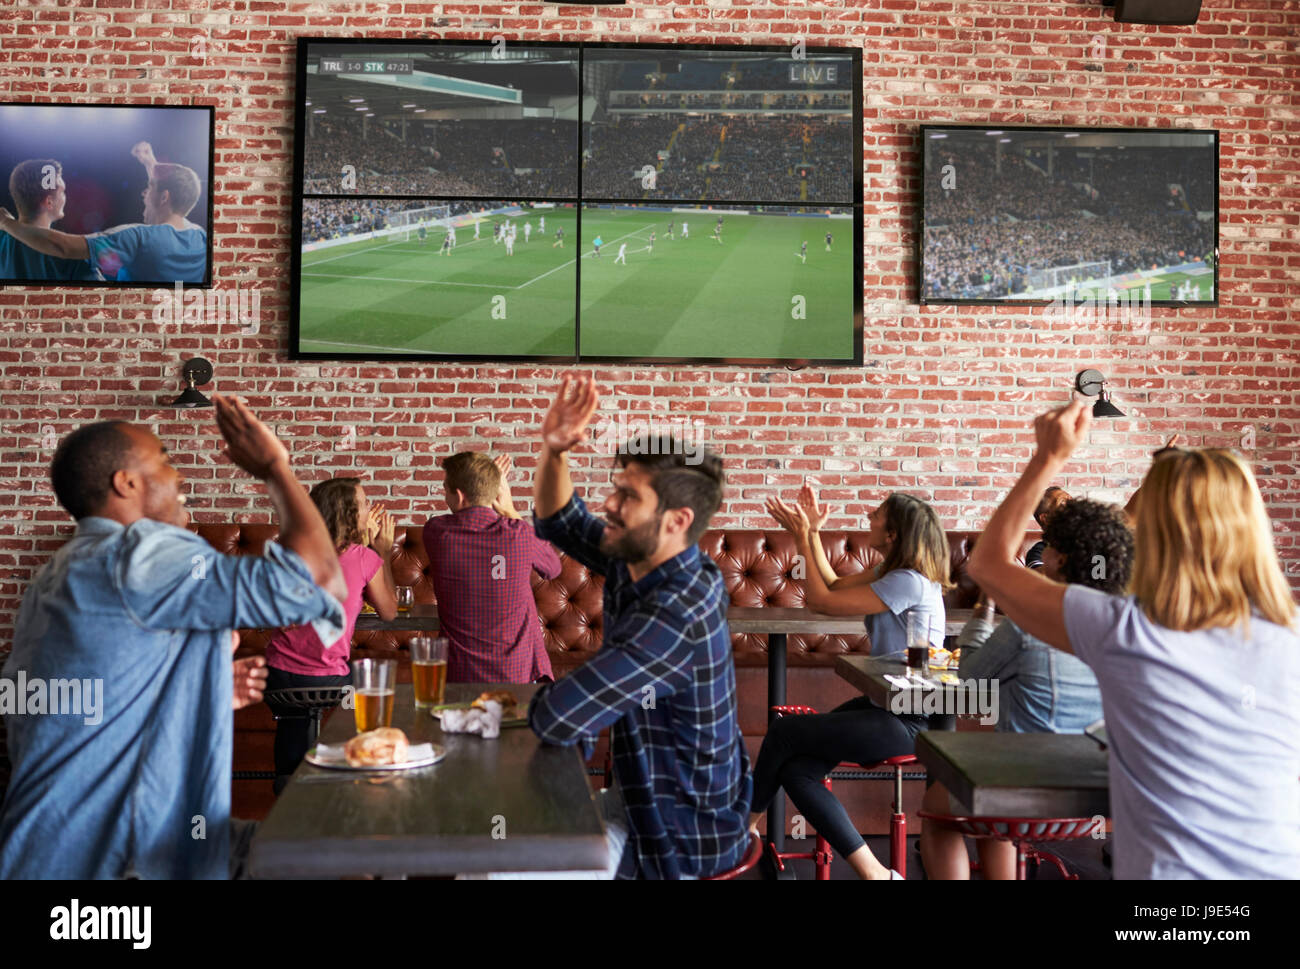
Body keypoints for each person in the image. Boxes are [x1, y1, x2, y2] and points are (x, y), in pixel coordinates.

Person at [0, 398, 348, 879]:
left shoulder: (55, 577)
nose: (179, 476)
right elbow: (316, 581)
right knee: (348, 860)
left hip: (84, 847)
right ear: (126, 483)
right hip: (119, 859)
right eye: (164, 458)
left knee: (339, 859)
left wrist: (194, 689)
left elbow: (85, 706)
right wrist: (274, 467)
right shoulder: (137, 551)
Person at [967, 398, 1300, 879]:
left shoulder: (1125, 629)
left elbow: (989, 565)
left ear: (1154, 534)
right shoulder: (1289, 636)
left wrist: (1047, 458)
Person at [529, 376, 751, 879]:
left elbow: (556, 716)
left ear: (677, 520)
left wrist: (545, 704)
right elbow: (558, 519)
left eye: (628, 496)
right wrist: (554, 450)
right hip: (641, 799)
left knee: (496, 873)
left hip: (677, 837)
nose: (608, 503)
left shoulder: (677, 612)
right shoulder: (640, 559)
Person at [922, 497, 1133, 879]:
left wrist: (985, 608)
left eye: (1049, 546)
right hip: (1097, 796)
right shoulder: (1129, 628)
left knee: (939, 811)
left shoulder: (1031, 625)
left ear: (1063, 559)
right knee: (986, 811)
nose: (1042, 552)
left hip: (1023, 790)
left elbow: (968, 677)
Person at [751, 484, 952, 879]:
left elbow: (820, 601)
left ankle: (743, 829)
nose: (869, 518)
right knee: (797, 770)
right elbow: (834, 584)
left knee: (784, 733)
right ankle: (876, 874)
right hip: (885, 705)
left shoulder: (908, 581)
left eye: (877, 515)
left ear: (893, 533)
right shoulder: (891, 572)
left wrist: (802, 537)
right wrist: (808, 535)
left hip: (907, 719)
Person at [263, 477, 398, 794]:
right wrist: (383, 552)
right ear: (350, 515)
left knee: (294, 718)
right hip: (330, 682)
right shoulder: (365, 558)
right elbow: (389, 613)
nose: (370, 508)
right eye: (364, 503)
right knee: (367, 686)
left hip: (277, 677)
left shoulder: (287, 549)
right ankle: (349, 772)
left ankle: (289, 782)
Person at [424, 452, 560, 683]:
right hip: (515, 675)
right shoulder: (519, 534)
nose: (445, 495)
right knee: (520, 591)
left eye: (445, 489)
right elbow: (553, 568)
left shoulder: (437, 532)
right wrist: (509, 509)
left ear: (458, 495)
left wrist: (482, 481)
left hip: (460, 676)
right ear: (497, 492)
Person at [0, 141, 206, 283]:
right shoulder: (201, 238)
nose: (144, 192)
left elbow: (60, 245)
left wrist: (6, 223)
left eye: (150, 186)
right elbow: (173, 203)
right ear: (49, 202)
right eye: (63, 190)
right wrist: (151, 165)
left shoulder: (136, 237)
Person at [0, 159, 100, 281]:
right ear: (49, 202)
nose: (65, 197)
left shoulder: (2, 241)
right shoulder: (72, 255)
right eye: (63, 192)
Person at [1023, 485, 1070, 569]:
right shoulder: (1038, 553)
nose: (1074, 506)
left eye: (1072, 501)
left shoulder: (1092, 541)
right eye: (1063, 503)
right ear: (1046, 519)